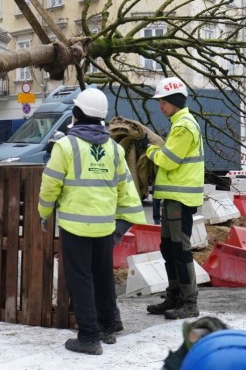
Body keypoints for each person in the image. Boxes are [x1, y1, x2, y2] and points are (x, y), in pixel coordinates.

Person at [37, 88, 147, 355]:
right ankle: (110, 324)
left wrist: (44, 212)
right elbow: (125, 187)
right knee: (102, 276)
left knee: (81, 279)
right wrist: (124, 223)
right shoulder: (113, 148)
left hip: (75, 227)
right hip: (104, 226)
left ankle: (88, 337)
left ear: (77, 114)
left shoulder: (66, 146)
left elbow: (50, 186)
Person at [144, 77, 205, 320]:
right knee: (168, 248)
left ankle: (189, 302)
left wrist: (148, 149)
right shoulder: (178, 124)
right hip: (173, 197)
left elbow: (168, 160)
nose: (161, 106)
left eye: (164, 102)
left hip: (180, 199)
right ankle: (175, 295)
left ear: (175, 101)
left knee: (180, 249)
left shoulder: (183, 127)